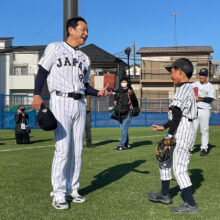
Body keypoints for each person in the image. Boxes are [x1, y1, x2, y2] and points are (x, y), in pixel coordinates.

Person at [31, 16, 111, 210]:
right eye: (83, 29)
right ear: (71, 30)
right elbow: (42, 71)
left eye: (87, 30)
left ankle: (72, 189)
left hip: (80, 103)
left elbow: (85, 86)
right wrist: (36, 95)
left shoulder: (85, 58)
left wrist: (98, 92)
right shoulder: (55, 47)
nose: (86, 33)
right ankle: (58, 193)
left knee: (77, 150)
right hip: (60, 100)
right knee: (63, 149)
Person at [147, 58, 199, 214]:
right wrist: (164, 126)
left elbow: (177, 117)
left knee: (179, 168)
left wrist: (169, 136)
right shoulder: (186, 88)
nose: (171, 75)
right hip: (181, 127)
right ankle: (164, 194)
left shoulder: (183, 90)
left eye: (172, 72)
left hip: (184, 131)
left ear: (180, 72)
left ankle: (191, 204)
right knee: (164, 161)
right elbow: (177, 116)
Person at [192, 68, 216, 156]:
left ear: (206, 76)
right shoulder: (194, 84)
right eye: (200, 75)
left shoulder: (210, 86)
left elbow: (211, 98)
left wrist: (199, 98)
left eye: (203, 75)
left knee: (204, 130)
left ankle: (204, 148)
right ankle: (190, 148)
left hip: (205, 110)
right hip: (195, 109)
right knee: (192, 130)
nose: (201, 76)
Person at [113, 77, 139, 151]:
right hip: (120, 113)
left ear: (127, 83)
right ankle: (127, 144)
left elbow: (135, 102)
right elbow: (116, 97)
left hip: (128, 112)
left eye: (124, 82)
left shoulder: (130, 91)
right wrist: (115, 100)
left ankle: (122, 145)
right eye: (122, 82)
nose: (123, 83)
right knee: (123, 129)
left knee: (124, 129)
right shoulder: (119, 91)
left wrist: (131, 94)